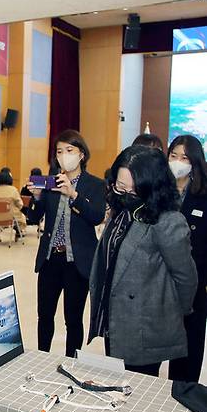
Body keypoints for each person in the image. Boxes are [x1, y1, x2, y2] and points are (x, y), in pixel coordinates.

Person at [88, 145, 197, 377]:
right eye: (120, 187)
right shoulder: (121, 209)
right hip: (115, 319)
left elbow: (185, 278)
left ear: (152, 186)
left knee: (138, 393)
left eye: (133, 190)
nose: (125, 194)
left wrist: (165, 311)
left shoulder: (168, 221)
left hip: (144, 325)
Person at [26, 129, 106, 358]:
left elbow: (96, 216)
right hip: (51, 258)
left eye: (69, 150)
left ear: (81, 154)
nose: (64, 155)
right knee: (45, 315)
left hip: (77, 262)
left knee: (73, 319)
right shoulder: (50, 181)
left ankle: (72, 362)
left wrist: (73, 194)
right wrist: (38, 197)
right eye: (60, 151)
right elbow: (33, 218)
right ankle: (42, 356)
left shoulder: (95, 185)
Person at [167, 135, 207, 382]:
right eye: (173, 156)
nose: (178, 162)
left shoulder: (203, 195)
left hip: (195, 284)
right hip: (160, 284)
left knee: (189, 352)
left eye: (184, 157)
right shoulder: (159, 192)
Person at [0, 170, 26, 237]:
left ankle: (16, 228)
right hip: (10, 216)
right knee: (21, 216)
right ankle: (19, 230)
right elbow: (20, 204)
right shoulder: (13, 190)